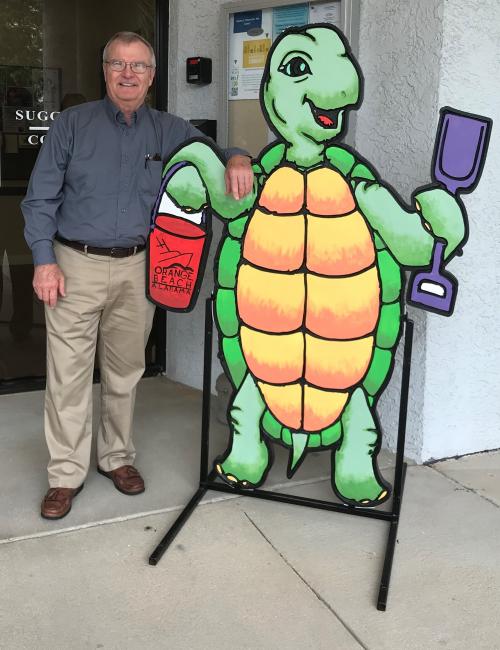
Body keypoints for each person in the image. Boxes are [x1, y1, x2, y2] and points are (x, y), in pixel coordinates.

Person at [21, 31, 254, 520]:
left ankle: (116, 458)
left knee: (125, 372)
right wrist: (43, 260)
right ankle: (65, 475)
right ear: (104, 70)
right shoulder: (71, 125)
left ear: (151, 76)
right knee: (68, 377)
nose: (128, 74)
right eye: (118, 64)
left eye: (138, 66)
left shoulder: (169, 129)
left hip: (138, 267)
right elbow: (39, 198)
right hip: (73, 265)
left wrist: (236, 156)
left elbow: (213, 156)